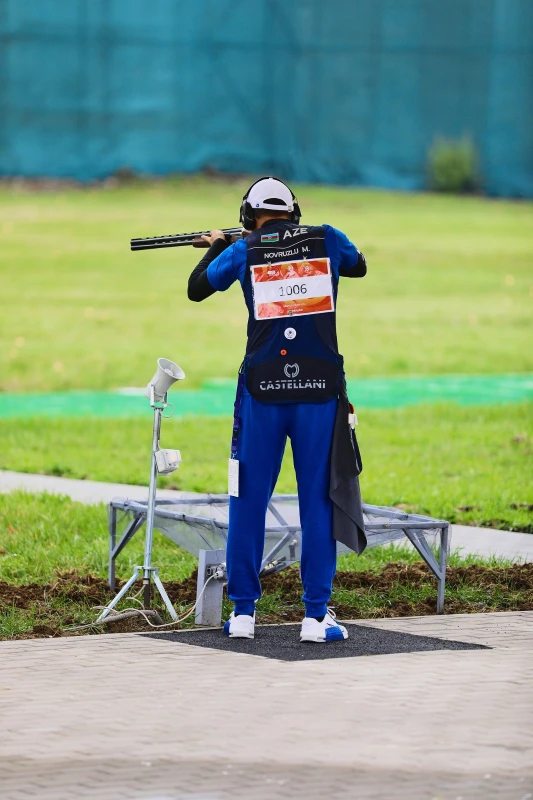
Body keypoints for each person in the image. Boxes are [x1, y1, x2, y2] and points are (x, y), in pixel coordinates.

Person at [187, 177, 367, 643]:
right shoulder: (327, 237)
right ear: (295, 211)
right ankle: (314, 618)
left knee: (247, 501)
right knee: (318, 502)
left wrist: (218, 246)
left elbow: (197, 289)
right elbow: (359, 266)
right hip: (320, 392)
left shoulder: (245, 249)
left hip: (261, 392)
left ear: (249, 215)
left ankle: (243, 615)